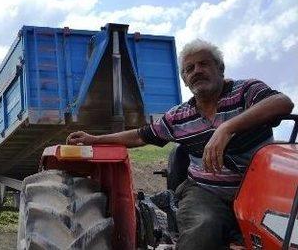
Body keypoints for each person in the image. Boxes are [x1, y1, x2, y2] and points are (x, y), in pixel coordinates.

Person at [66, 39, 294, 249]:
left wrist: (228, 127)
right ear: (184, 80)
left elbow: (282, 102)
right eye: (189, 69)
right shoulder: (179, 116)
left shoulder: (246, 91)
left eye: (204, 64)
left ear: (220, 68)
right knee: (202, 227)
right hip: (206, 192)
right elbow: (139, 136)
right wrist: (95, 140)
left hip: (264, 190)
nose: (197, 71)